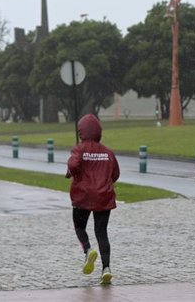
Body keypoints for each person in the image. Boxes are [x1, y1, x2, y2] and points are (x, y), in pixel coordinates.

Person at [66, 114, 120, 285]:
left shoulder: (79, 149)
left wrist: (74, 174)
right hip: (104, 197)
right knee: (102, 232)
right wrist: (106, 182)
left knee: (79, 226)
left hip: (83, 196)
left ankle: (88, 250)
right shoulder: (108, 152)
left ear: (81, 131)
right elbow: (115, 173)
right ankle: (106, 269)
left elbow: (73, 165)